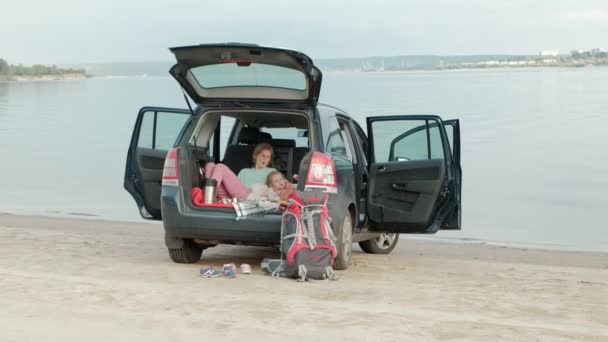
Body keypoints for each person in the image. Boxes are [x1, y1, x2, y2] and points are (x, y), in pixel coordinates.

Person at [202, 143, 278, 201]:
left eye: (268, 157)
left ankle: (207, 195)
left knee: (220, 167)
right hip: (233, 197)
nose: (265, 159)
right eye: (262, 155)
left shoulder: (272, 171)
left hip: (250, 196)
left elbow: (283, 185)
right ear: (256, 155)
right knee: (209, 165)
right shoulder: (244, 172)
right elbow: (234, 188)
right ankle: (209, 197)